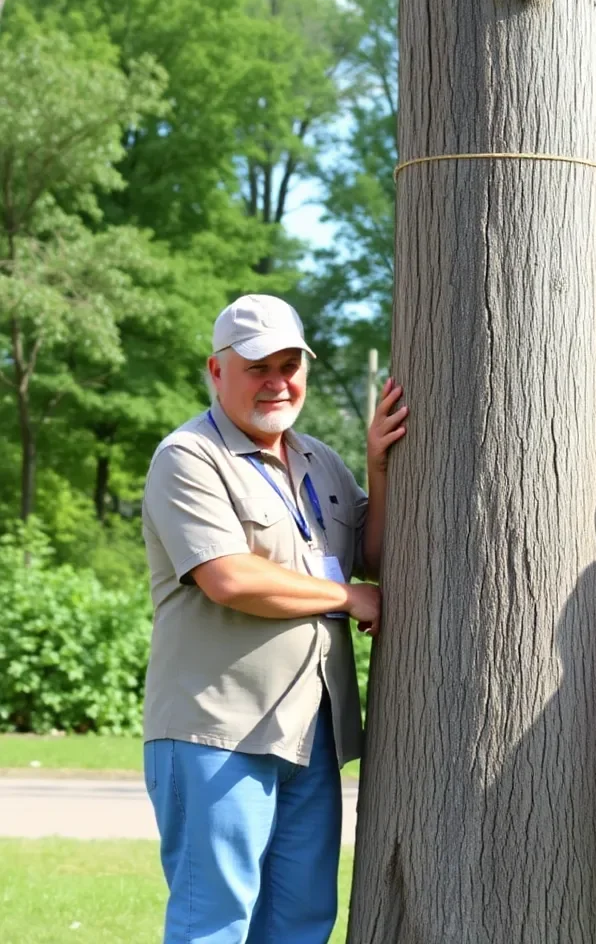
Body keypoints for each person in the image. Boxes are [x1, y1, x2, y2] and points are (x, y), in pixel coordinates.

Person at [140, 293, 407, 944]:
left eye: (290, 364)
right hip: (217, 734)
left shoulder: (320, 460)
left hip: (309, 736)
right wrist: (348, 599)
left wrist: (378, 465)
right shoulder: (189, 457)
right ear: (216, 370)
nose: (276, 381)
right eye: (257, 366)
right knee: (216, 925)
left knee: (301, 923)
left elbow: (372, 553)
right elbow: (228, 577)